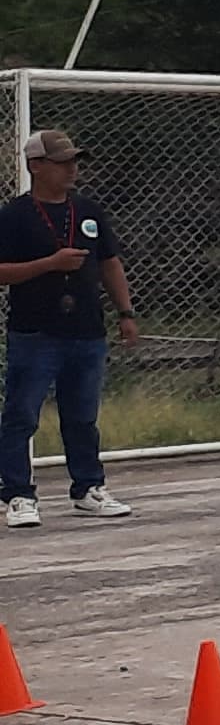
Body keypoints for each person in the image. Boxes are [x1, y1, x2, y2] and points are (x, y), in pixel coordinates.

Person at [2, 128, 139, 529]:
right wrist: (50, 264)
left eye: (74, 161)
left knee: (82, 416)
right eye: (62, 163)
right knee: (22, 415)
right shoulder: (14, 215)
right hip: (35, 333)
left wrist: (125, 312)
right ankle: (18, 494)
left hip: (87, 330)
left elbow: (109, 262)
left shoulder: (89, 210)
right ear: (36, 166)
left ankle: (88, 488)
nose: (72, 169)